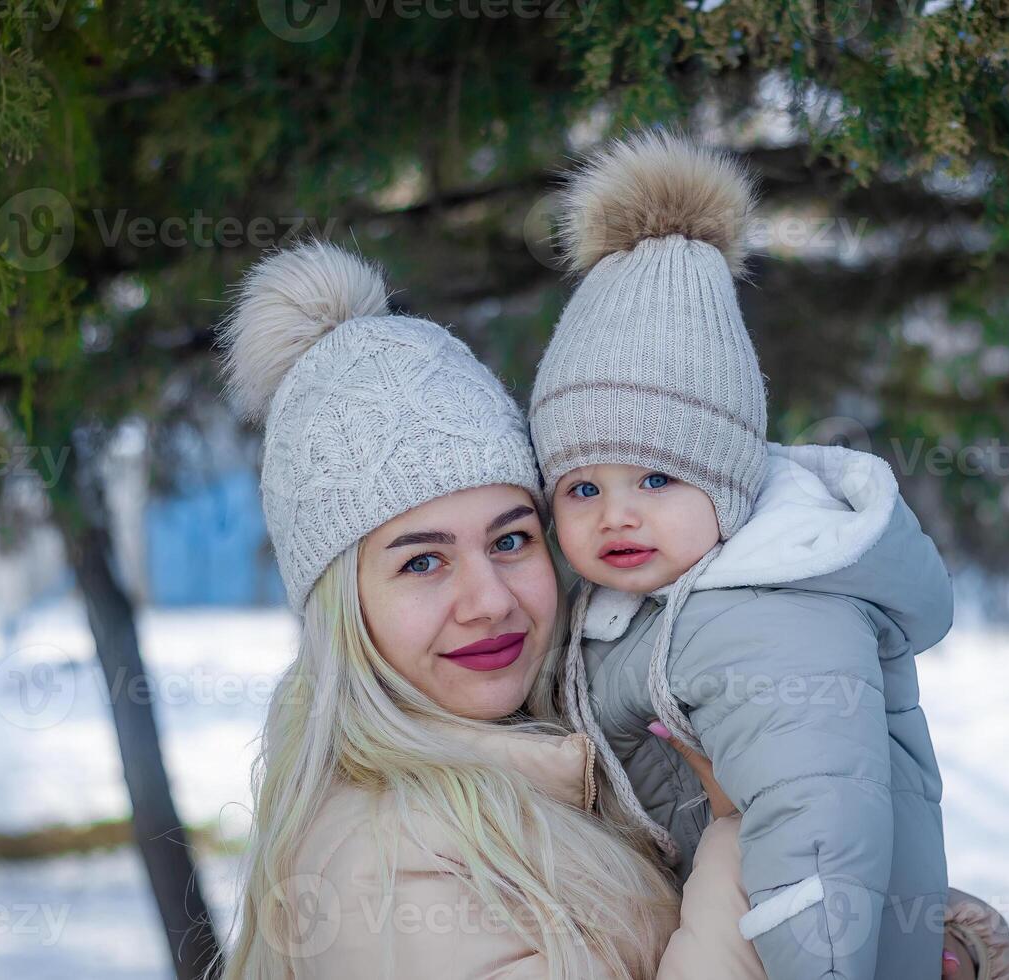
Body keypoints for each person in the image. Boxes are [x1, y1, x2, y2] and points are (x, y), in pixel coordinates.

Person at [216, 241, 754, 979]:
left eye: (510, 539)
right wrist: (741, 842)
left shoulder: (583, 747)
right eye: (422, 561)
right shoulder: (379, 869)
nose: (490, 601)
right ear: (343, 606)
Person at [531, 130, 955, 979]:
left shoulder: (771, 615)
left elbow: (819, 828)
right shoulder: (641, 609)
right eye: (582, 489)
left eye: (656, 477)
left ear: (725, 484)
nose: (616, 514)